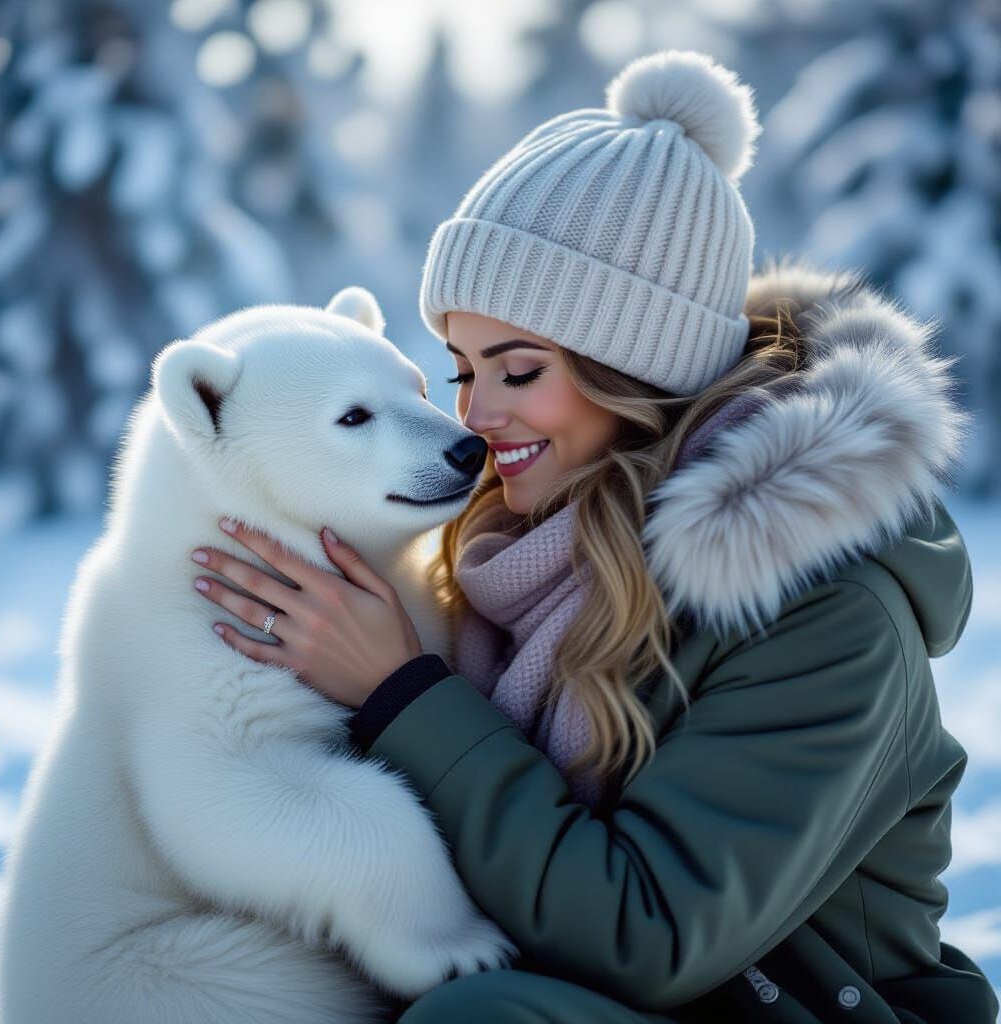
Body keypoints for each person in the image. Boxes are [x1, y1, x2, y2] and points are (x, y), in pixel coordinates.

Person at [190, 50, 999, 1022]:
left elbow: (644, 935)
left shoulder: (823, 609)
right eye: (458, 367)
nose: (475, 414)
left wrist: (402, 694)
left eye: (518, 369)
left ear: (635, 365)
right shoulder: (514, 559)